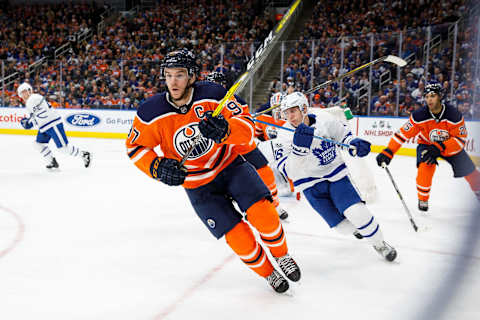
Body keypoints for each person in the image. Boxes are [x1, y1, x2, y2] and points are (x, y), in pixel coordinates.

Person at [125, 49, 301, 293]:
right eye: (168, 75)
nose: (173, 82)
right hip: (197, 185)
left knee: (265, 215)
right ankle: (269, 273)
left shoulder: (215, 95)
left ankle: (281, 255)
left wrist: (227, 130)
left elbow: (248, 128)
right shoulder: (150, 112)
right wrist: (157, 167)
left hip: (230, 166)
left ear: (192, 76)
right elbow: (135, 147)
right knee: (238, 238)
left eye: (179, 75)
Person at [274, 91, 397, 262]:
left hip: (335, 174)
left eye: (293, 111)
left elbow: (343, 135)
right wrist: (299, 151)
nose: (290, 116)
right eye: (286, 113)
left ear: (304, 108)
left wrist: (352, 143)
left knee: (357, 212)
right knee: (342, 228)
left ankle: (380, 243)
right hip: (309, 185)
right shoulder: (283, 136)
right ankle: (358, 228)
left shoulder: (323, 118)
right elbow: (289, 173)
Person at [376, 83, 480, 211]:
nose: (429, 99)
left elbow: (460, 139)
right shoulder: (419, 116)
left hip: (449, 146)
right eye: (427, 96)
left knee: (471, 172)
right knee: (424, 170)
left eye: (433, 96)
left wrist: (439, 147)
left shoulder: (453, 114)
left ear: (440, 97)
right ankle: (423, 199)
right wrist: (389, 151)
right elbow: (401, 135)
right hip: (427, 145)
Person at [206, 72, 289, 220]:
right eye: (211, 84)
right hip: (218, 146)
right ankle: (247, 209)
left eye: (218, 84)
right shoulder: (201, 100)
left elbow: (244, 120)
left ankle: (275, 205)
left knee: (265, 171)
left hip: (239, 140)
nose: (214, 88)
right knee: (231, 180)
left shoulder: (232, 100)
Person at [17, 82, 91, 170]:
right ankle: (51, 161)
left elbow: (41, 114)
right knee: (37, 144)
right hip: (44, 126)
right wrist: (29, 122)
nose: (24, 94)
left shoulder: (34, 98)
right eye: (22, 93)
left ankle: (84, 154)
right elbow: (37, 117)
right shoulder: (30, 102)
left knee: (63, 149)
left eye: (25, 91)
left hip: (52, 124)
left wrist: (29, 123)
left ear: (30, 91)